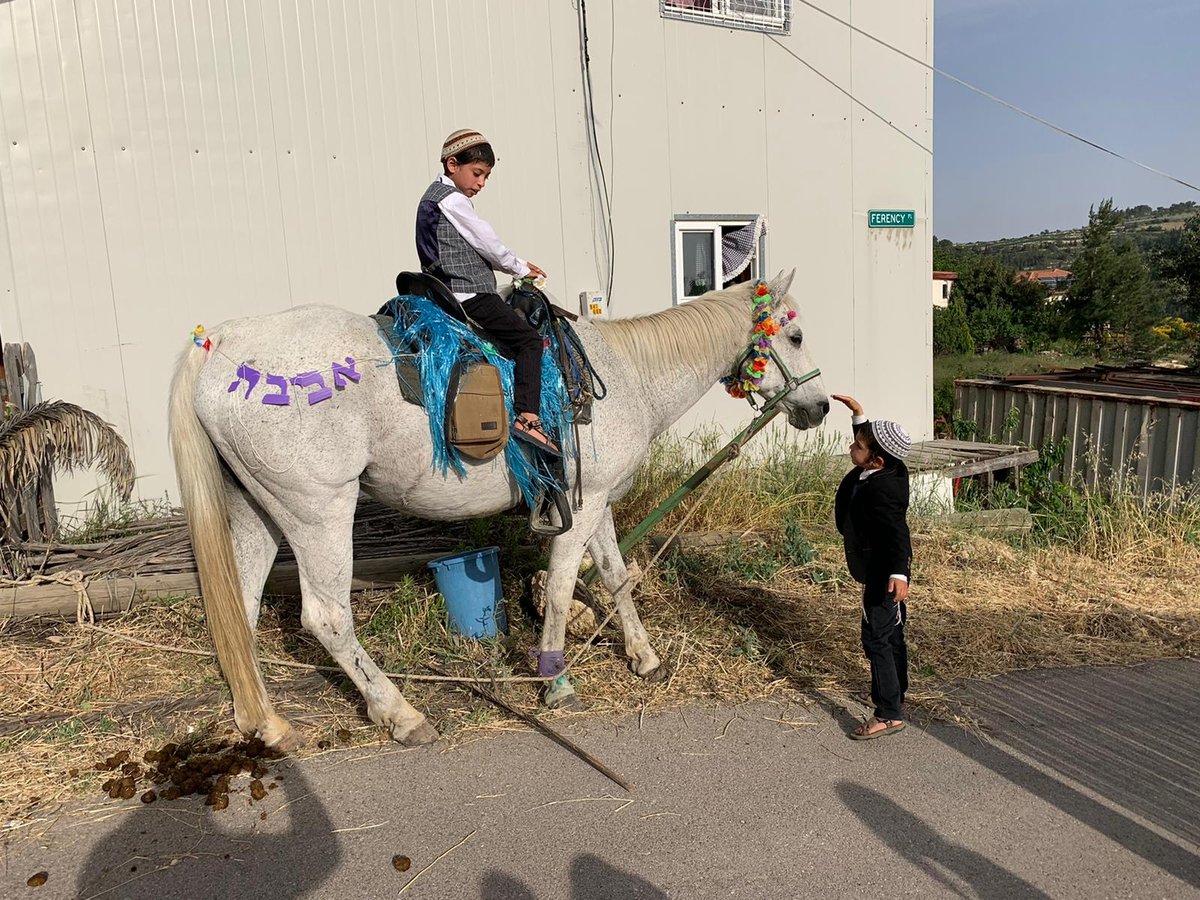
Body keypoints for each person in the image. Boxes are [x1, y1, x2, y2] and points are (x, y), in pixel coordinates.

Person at [415, 128, 559, 456]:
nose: (481, 183)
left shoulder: (431, 197)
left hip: (446, 291)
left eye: (486, 177)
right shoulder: (452, 199)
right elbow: (487, 242)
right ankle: (527, 417)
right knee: (529, 341)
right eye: (477, 173)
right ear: (453, 164)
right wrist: (521, 268)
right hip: (469, 295)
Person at [831, 393, 913, 740]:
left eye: (858, 445)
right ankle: (896, 691)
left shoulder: (883, 491)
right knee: (890, 633)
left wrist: (899, 573)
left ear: (876, 460)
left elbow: (898, 532)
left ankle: (888, 713)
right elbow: (870, 442)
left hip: (883, 572)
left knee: (877, 637)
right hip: (877, 569)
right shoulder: (889, 466)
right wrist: (858, 415)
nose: (852, 448)